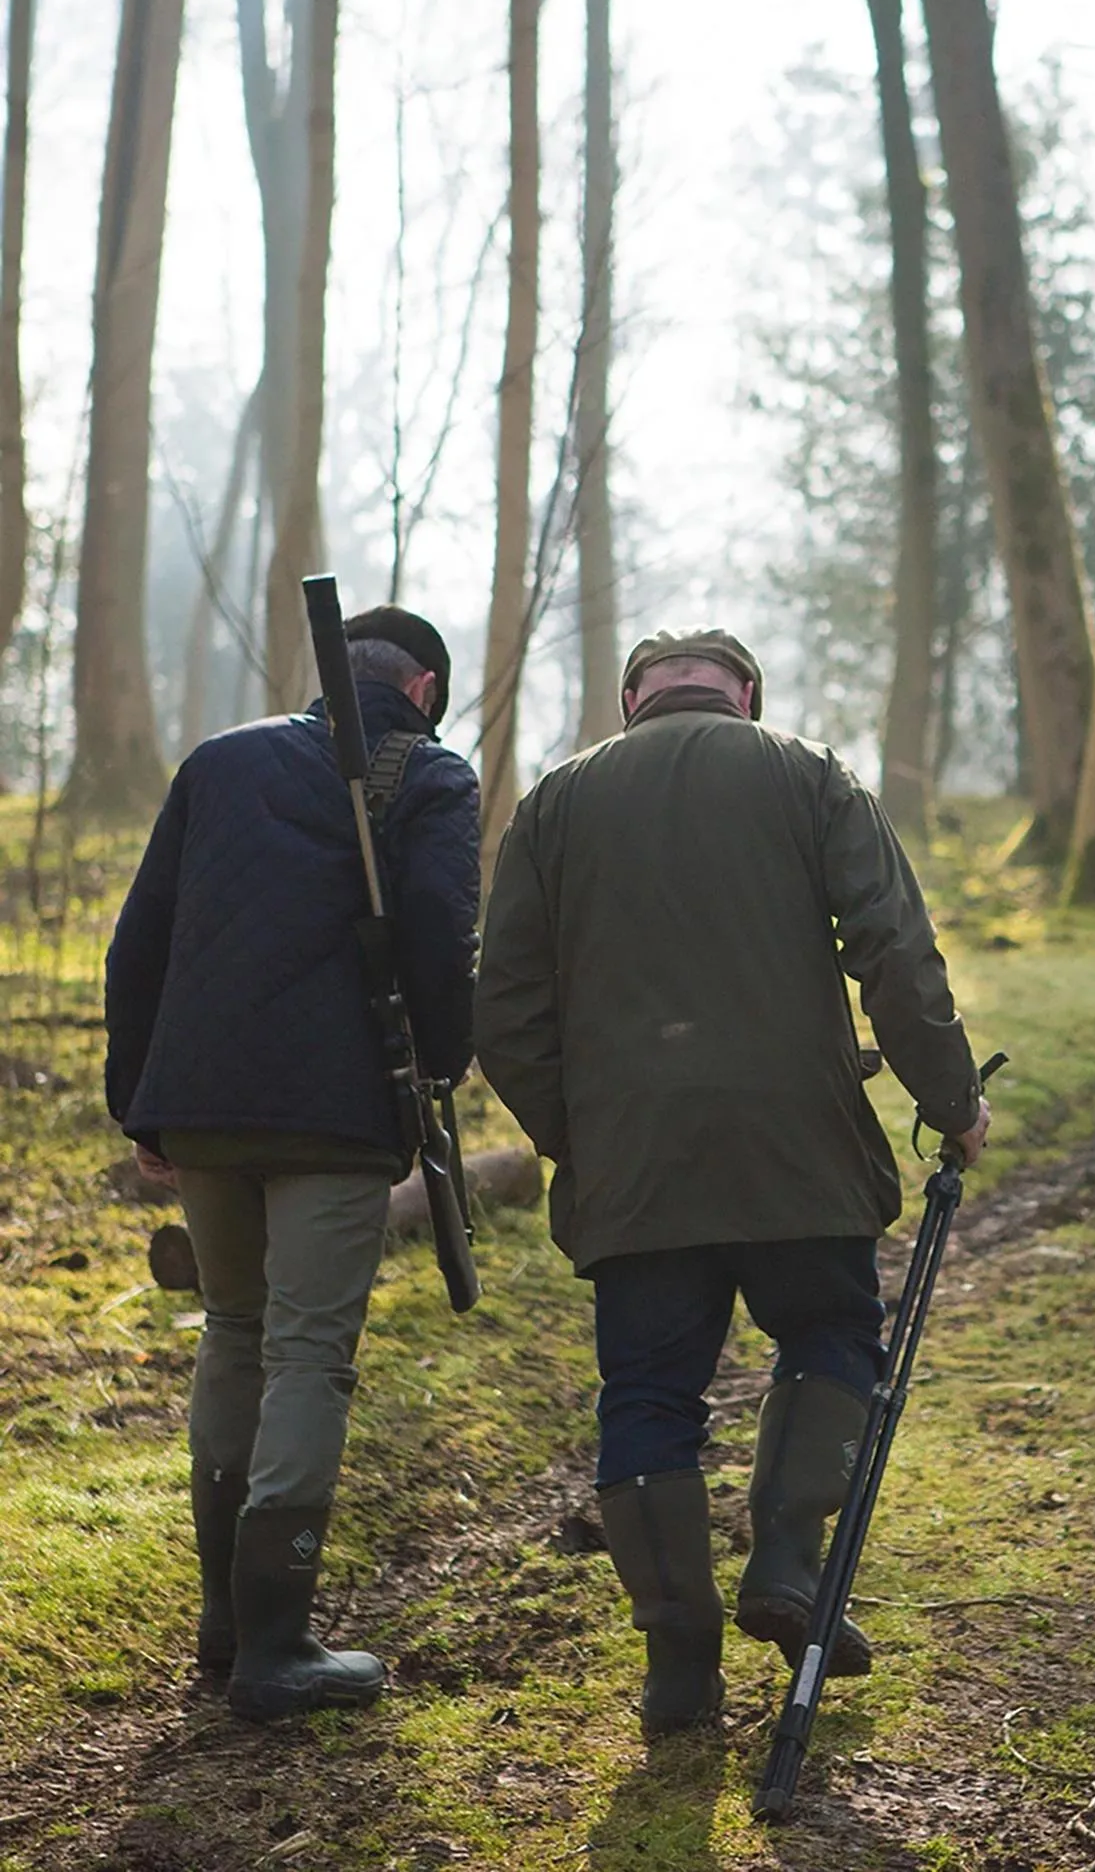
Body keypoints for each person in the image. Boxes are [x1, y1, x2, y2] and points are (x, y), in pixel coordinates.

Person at [475, 628, 988, 1736]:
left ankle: (677, 1667)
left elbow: (503, 1006)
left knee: (647, 1397)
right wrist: (952, 1101)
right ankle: (789, 1565)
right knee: (830, 1336)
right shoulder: (809, 775)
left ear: (633, 702)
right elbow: (895, 953)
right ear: (745, 695)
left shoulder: (556, 803)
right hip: (799, 1147)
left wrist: (582, 1133)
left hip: (635, 1165)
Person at [104, 609, 480, 1722]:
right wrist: (439, 1066)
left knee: (234, 1329)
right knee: (309, 1351)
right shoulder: (433, 778)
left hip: (201, 1100)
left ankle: (226, 1623)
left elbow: (139, 941)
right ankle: (276, 1645)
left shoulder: (219, 762)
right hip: (337, 1112)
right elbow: (439, 931)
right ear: (422, 691)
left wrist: (141, 1103)